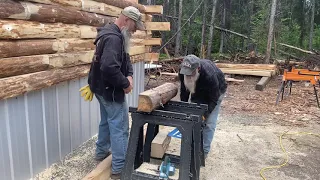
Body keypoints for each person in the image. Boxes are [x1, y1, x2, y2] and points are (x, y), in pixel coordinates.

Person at [80, 6, 145, 180]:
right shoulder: (113, 38)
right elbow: (108, 67)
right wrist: (125, 84)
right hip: (110, 90)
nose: (136, 30)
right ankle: (119, 168)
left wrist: (129, 74)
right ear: (126, 20)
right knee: (120, 127)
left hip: (101, 88)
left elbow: (126, 57)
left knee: (107, 121)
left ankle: (101, 153)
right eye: (135, 25)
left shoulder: (115, 33)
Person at [178, 54, 227, 158]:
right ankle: (191, 147)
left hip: (216, 92)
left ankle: (203, 152)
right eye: (186, 74)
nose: (188, 76)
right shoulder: (183, 71)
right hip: (198, 90)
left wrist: (205, 115)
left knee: (208, 123)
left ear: (198, 69)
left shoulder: (210, 75)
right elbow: (184, 90)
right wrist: (184, 108)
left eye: (190, 74)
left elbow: (213, 99)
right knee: (192, 118)